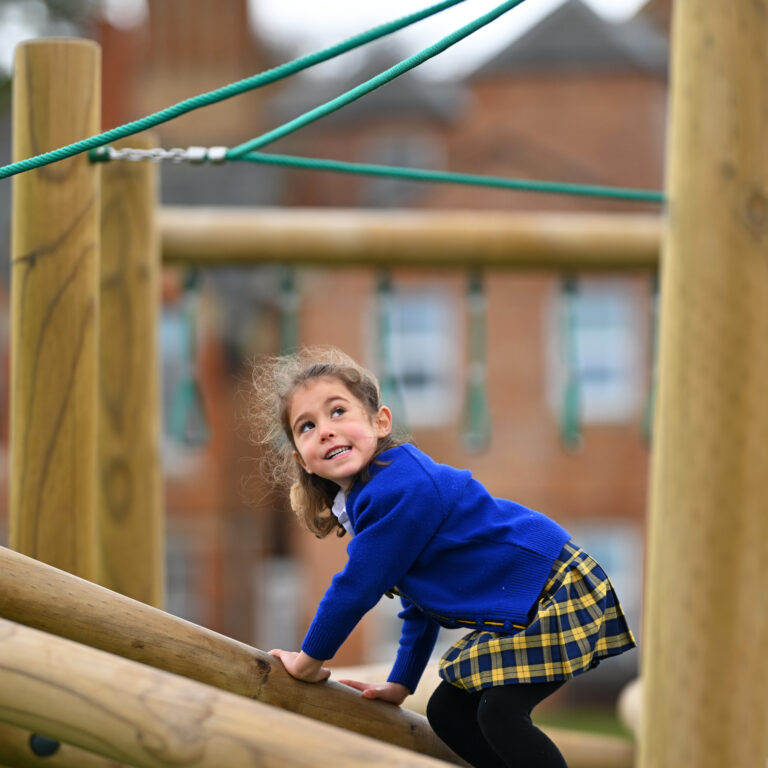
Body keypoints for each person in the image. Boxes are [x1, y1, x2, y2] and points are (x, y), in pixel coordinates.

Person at [250, 346, 636, 768]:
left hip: (554, 587)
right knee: (449, 711)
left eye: (338, 411)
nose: (325, 429)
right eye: (307, 426)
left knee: (500, 712)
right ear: (299, 460)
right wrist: (401, 683)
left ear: (380, 422)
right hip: (530, 596)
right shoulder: (369, 498)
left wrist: (308, 661)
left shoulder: (398, 488)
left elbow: (355, 588)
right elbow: (422, 602)